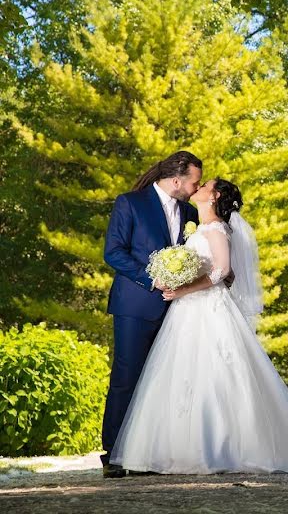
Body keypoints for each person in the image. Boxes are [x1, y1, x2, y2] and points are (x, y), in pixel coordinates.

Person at [110, 178, 288, 474]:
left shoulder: (215, 228)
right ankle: (176, 449)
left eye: (205, 185)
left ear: (215, 197)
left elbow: (222, 270)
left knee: (216, 374)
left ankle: (218, 448)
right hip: (187, 311)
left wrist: (183, 289)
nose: (197, 188)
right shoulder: (199, 227)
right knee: (181, 374)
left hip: (208, 308)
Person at [100, 151, 203, 478]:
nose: (195, 187)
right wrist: (151, 278)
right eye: (194, 181)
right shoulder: (129, 202)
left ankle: (149, 454)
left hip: (177, 308)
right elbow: (113, 252)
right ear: (177, 180)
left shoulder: (190, 212)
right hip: (135, 304)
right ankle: (114, 453)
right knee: (127, 376)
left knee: (162, 380)